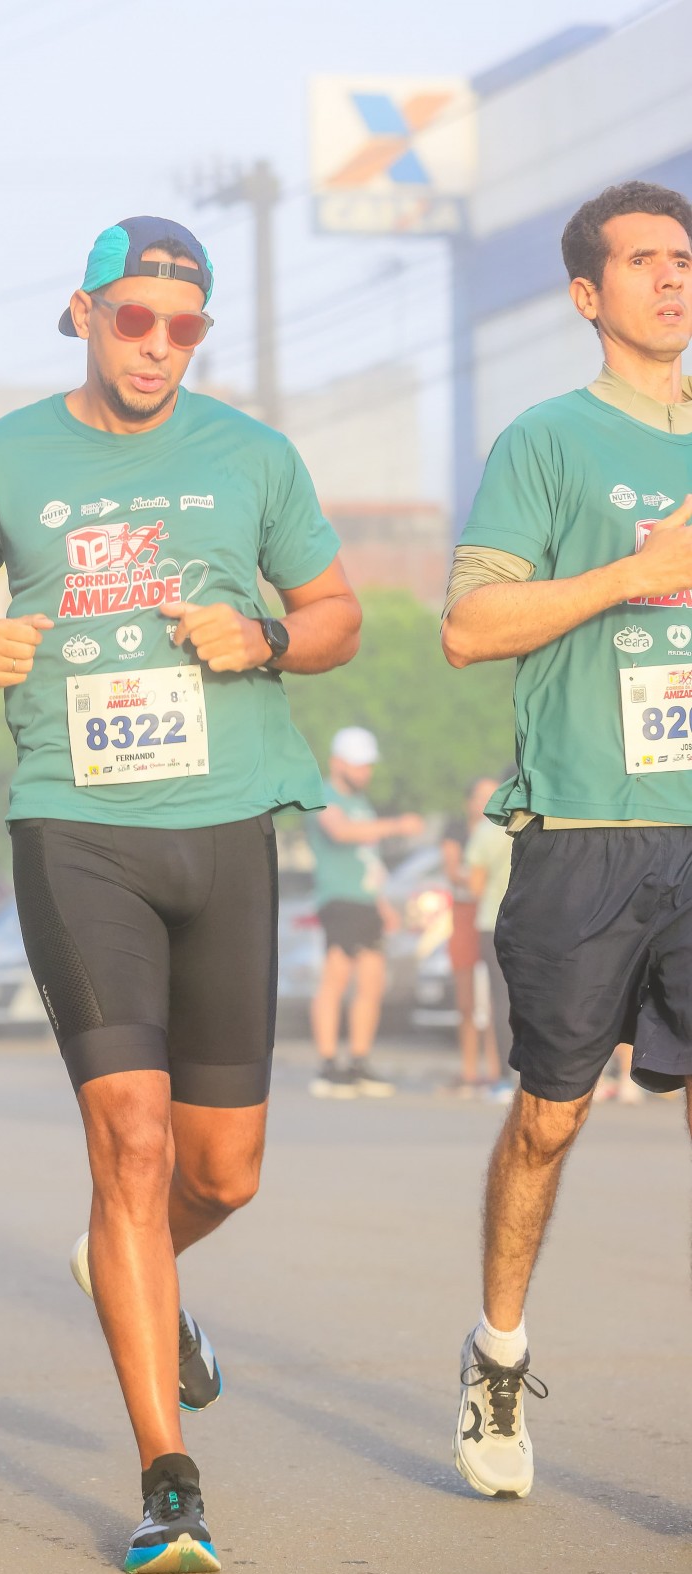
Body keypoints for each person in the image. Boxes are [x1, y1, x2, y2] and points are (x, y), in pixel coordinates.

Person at [0, 216, 362, 1573]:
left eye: (183, 326)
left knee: (222, 1172)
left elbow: (338, 615)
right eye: (135, 318)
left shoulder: (254, 457)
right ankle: (169, 1478)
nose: (158, 345)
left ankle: (126, 1261)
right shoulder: (4, 459)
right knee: (131, 1146)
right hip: (77, 827)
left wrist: (265, 633)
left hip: (226, 827)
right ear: (84, 314)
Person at [442, 179, 692, 1500]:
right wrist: (637, 573)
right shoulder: (545, 441)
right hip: (584, 832)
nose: (674, 277)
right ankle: (497, 1355)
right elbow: (470, 628)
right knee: (550, 1119)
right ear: (590, 295)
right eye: (644, 260)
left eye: (684, 258)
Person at [306, 726, 423, 1099]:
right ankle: (328, 1065)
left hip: (366, 902)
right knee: (336, 977)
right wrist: (396, 825)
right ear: (337, 763)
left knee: (371, 982)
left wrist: (382, 903)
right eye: (358, 764)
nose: (365, 772)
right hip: (339, 900)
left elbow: (367, 860)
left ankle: (359, 1061)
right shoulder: (324, 795)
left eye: (367, 765)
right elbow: (340, 832)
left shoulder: (362, 805)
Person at [441, 778, 501, 1094]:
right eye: (480, 797)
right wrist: (479, 876)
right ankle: (468, 1070)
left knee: (496, 998)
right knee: (466, 999)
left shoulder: (504, 830)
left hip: (493, 915)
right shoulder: (458, 831)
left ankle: (496, 1068)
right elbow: (453, 871)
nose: (486, 802)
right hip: (466, 913)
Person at [463, 789, 515, 1101]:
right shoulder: (544, 822)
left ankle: (506, 1078)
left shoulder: (488, 829)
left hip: (495, 923)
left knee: (502, 999)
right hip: (540, 925)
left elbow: (475, 886)